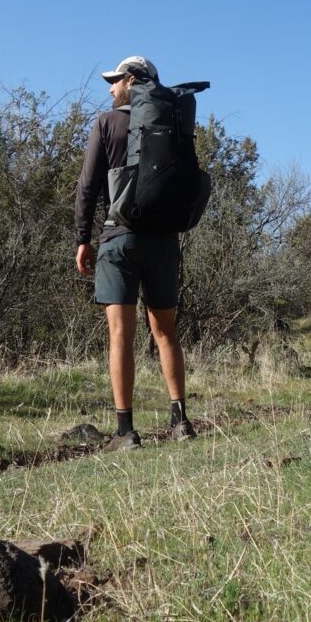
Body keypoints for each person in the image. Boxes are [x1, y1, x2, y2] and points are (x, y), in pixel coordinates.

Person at [74, 55, 196, 449]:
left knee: (120, 335)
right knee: (165, 332)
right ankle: (180, 421)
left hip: (119, 240)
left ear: (130, 80)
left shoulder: (107, 123)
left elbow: (88, 185)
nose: (110, 88)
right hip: (163, 241)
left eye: (114, 81)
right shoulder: (171, 121)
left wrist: (82, 238)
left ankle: (125, 432)